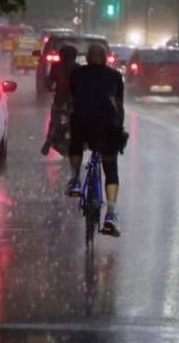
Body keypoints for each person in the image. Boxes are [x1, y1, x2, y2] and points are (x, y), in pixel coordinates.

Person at [67, 44, 125, 237]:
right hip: (107, 127)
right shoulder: (115, 76)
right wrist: (119, 127)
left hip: (83, 124)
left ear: (88, 59)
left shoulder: (77, 74)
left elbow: (73, 98)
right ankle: (110, 214)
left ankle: (75, 179)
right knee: (110, 167)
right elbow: (119, 106)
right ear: (106, 59)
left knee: (75, 142)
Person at [41, 45, 78, 156]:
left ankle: (49, 140)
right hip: (72, 102)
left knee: (54, 122)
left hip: (61, 101)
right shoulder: (78, 68)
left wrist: (48, 84)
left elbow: (50, 81)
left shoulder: (56, 67)